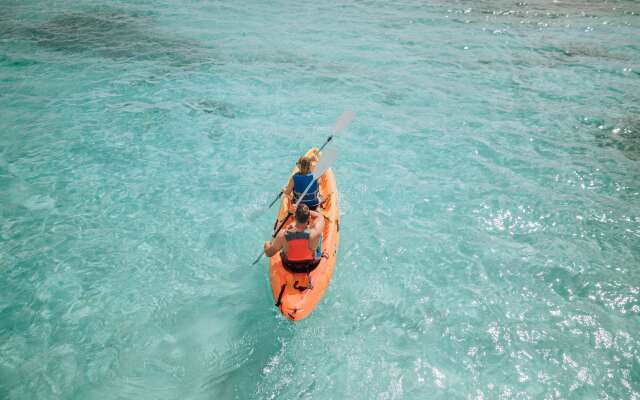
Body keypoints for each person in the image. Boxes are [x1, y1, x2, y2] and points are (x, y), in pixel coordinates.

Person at [263, 204, 325, 271]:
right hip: (309, 264)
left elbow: (268, 254)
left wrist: (266, 244)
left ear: (294, 217)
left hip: (290, 265)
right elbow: (320, 216)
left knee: (281, 244)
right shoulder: (315, 232)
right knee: (320, 235)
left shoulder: (282, 235)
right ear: (309, 218)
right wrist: (305, 212)